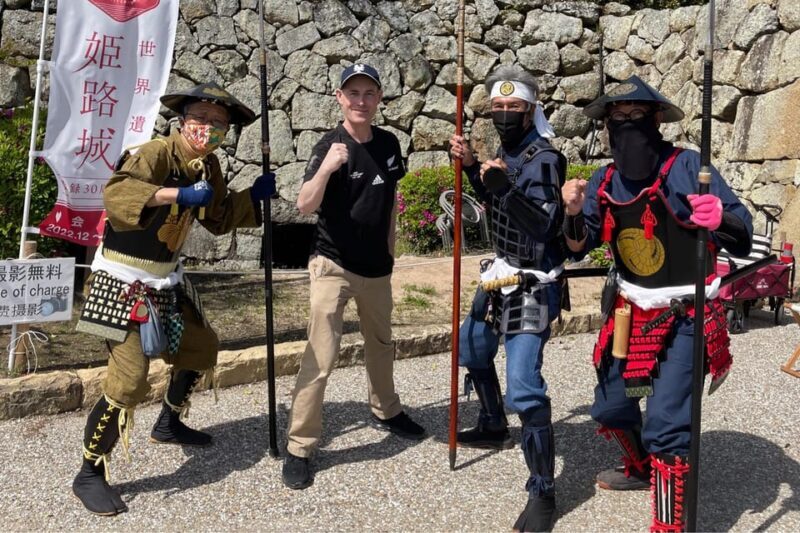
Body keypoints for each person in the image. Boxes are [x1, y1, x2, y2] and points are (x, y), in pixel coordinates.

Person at [72, 82, 276, 516]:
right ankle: (90, 469)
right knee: (128, 380)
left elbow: (218, 218)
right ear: (183, 120)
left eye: (218, 123)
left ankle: (169, 422)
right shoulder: (156, 153)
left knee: (201, 347)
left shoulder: (209, 166)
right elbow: (117, 195)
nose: (209, 128)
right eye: (202, 118)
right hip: (120, 281)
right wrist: (175, 194)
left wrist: (251, 198)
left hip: (166, 282)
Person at [561, 75, 753, 531]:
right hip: (630, 316)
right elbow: (578, 246)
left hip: (686, 315)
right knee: (615, 404)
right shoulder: (603, 177)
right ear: (606, 125)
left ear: (656, 120)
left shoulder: (687, 166)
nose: (626, 124)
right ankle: (645, 466)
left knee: (666, 422)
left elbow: (742, 230)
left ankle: (670, 521)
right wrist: (570, 213)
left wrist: (719, 216)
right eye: (617, 117)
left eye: (636, 116)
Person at [282, 63, 426, 490]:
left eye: (369, 93)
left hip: (377, 269)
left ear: (378, 98)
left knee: (382, 345)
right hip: (333, 266)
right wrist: (326, 168)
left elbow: (390, 198)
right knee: (321, 357)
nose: (361, 100)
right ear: (340, 98)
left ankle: (387, 409)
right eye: (353, 93)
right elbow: (304, 205)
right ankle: (299, 446)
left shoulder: (388, 143)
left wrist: (391, 252)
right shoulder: (330, 144)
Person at [449, 64, 568, 532]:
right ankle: (493, 422)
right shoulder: (507, 149)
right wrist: (473, 168)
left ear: (531, 109)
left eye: (512, 107)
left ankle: (543, 490)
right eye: (496, 107)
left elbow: (543, 224)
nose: (503, 113)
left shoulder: (546, 159)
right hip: (501, 273)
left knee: (524, 386)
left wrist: (501, 185)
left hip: (535, 281)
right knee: (471, 346)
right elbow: (496, 198)